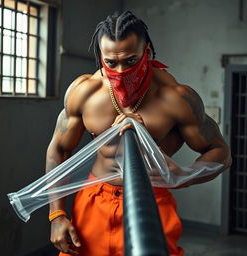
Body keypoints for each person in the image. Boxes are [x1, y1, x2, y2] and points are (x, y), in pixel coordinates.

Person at [46, 11, 231, 256]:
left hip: (151, 201)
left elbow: (220, 152)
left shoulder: (175, 97)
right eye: (111, 62)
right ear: (101, 56)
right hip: (95, 200)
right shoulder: (85, 91)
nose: (121, 71)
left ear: (148, 51)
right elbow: (59, 149)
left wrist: (182, 175)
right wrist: (57, 215)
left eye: (131, 61)